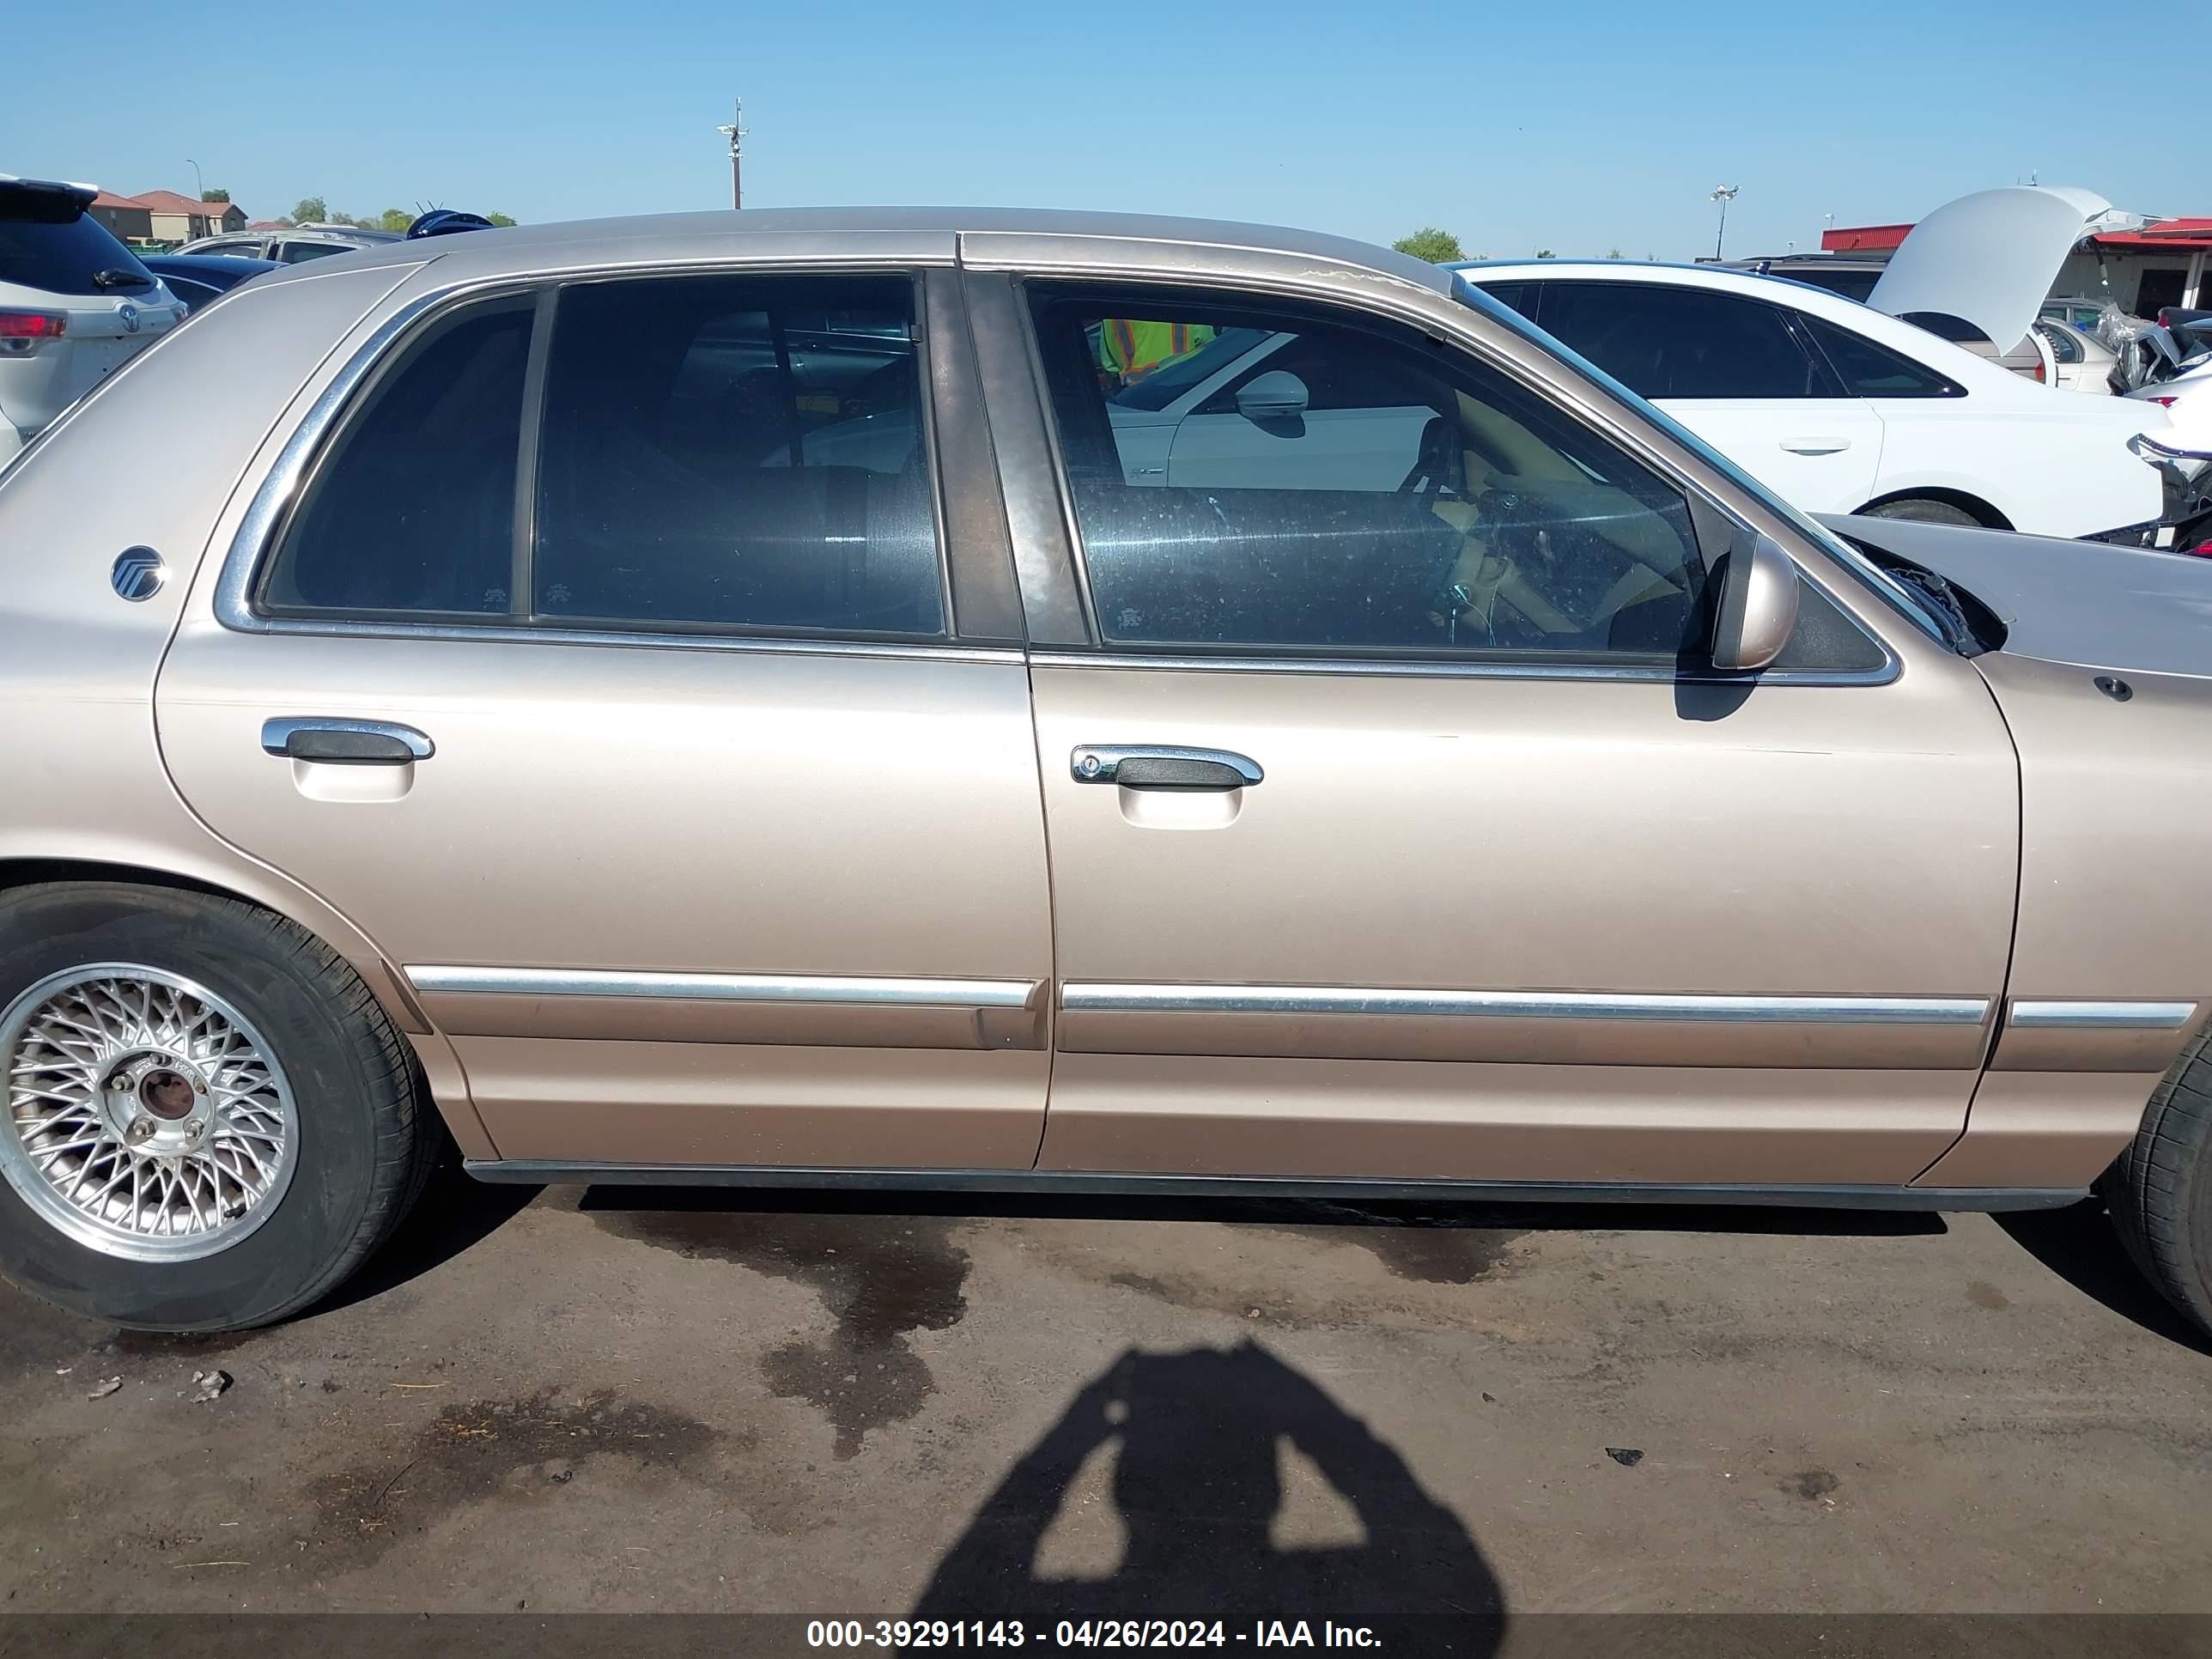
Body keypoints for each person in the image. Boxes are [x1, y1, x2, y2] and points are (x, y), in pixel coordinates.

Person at [1097, 316, 1216, 385]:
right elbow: (1209, 349)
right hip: (1183, 391)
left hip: (1133, 397)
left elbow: (1109, 364)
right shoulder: (1184, 300)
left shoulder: (1113, 311)